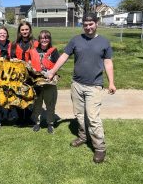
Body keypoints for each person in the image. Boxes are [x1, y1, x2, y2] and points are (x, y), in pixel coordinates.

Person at [47, 12, 116, 163]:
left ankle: (99, 148)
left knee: (92, 117)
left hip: (95, 86)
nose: (88, 27)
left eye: (91, 24)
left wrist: (111, 82)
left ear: (96, 23)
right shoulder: (76, 40)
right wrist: (52, 71)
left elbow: (108, 62)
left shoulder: (104, 42)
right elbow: (64, 56)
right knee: (79, 114)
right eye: (85, 25)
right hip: (77, 84)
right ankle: (83, 137)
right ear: (82, 25)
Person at [29, 30, 60, 134]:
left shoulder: (54, 51)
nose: (44, 40)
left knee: (50, 104)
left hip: (49, 83)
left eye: (46, 38)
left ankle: (50, 123)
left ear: (49, 39)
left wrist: (53, 74)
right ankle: (36, 123)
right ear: (39, 39)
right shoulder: (33, 51)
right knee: (37, 104)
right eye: (42, 38)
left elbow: (58, 65)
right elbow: (29, 64)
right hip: (37, 83)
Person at [10, 21, 38, 126]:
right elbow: (11, 58)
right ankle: (21, 118)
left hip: (31, 74)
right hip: (17, 74)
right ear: (19, 31)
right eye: (22, 30)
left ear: (30, 30)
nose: (24, 31)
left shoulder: (35, 43)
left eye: (26, 29)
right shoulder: (15, 43)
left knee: (30, 96)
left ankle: (30, 118)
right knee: (19, 96)